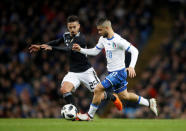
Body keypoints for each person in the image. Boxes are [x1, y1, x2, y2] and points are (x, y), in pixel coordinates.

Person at [28, 15, 123, 113]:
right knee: (65, 89)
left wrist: (52, 48)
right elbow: (57, 42)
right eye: (70, 27)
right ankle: (76, 113)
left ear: (79, 26)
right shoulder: (66, 35)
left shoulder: (81, 39)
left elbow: (68, 49)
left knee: (100, 95)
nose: (72, 29)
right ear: (67, 27)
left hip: (87, 72)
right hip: (73, 72)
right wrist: (41, 46)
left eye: (74, 27)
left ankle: (113, 97)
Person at [72, 17, 158, 120]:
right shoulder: (103, 39)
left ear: (107, 28)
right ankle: (149, 102)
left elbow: (135, 51)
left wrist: (131, 66)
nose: (98, 32)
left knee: (98, 89)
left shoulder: (118, 40)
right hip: (112, 73)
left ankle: (89, 116)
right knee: (125, 96)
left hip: (119, 72)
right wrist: (81, 50)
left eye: (100, 30)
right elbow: (95, 51)